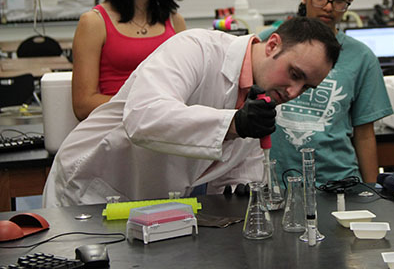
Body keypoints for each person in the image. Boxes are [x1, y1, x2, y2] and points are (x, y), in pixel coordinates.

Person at [43, 17, 341, 207]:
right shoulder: (196, 48)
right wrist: (233, 125)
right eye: (294, 73)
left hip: (148, 207)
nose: (292, 92)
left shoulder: (260, 98)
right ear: (272, 44)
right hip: (88, 191)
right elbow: (143, 118)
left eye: (305, 87)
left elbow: (237, 176)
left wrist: (242, 192)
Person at [260, 0, 393, 185]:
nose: (329, 7)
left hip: (338, 183)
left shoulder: (361, 57)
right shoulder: (270, 43)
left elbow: (364, 135)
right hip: (275, 183)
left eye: (340, 0)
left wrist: (373, 192)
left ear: (350, 0)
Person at [71, 0, 186, 121]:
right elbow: (82, 105)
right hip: (114, 132)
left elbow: (188, 87)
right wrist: (146, 105)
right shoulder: (94, 22)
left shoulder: (175, 22)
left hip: (166, 132)